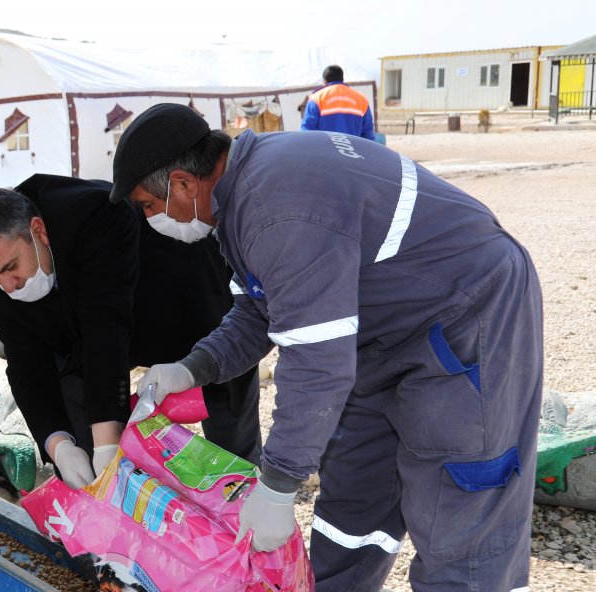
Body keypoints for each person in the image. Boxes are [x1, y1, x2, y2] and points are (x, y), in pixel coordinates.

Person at [108, 102, 543, 592]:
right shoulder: (243, 193)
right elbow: (260, 310)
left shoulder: (277, 209)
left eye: (148, 205)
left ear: (185, 184)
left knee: (459, 506)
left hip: (464, 311)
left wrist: (277, 485)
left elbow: (316, 362)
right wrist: (191, 369)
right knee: (355, 493)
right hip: (380, 330)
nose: (149, 218)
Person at [0, 174, 261, 491]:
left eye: (10, 267)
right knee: (73, 404)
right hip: (88, 329)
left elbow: (105, 326)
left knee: (227, 413)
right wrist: (57, 444)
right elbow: (25, 364)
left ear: (38, 230)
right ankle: (111, 512)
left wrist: (107, 445)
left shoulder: (92, 212)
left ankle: (246, 502)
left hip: (180, 299)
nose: (8, 286)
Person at [301, 64, 376, 141]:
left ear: (324, 81)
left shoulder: (316, 98)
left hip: (324, 150)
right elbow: (368, 134)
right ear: (342, 79)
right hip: (352, 151)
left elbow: (307, 132)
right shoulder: (361, 99)